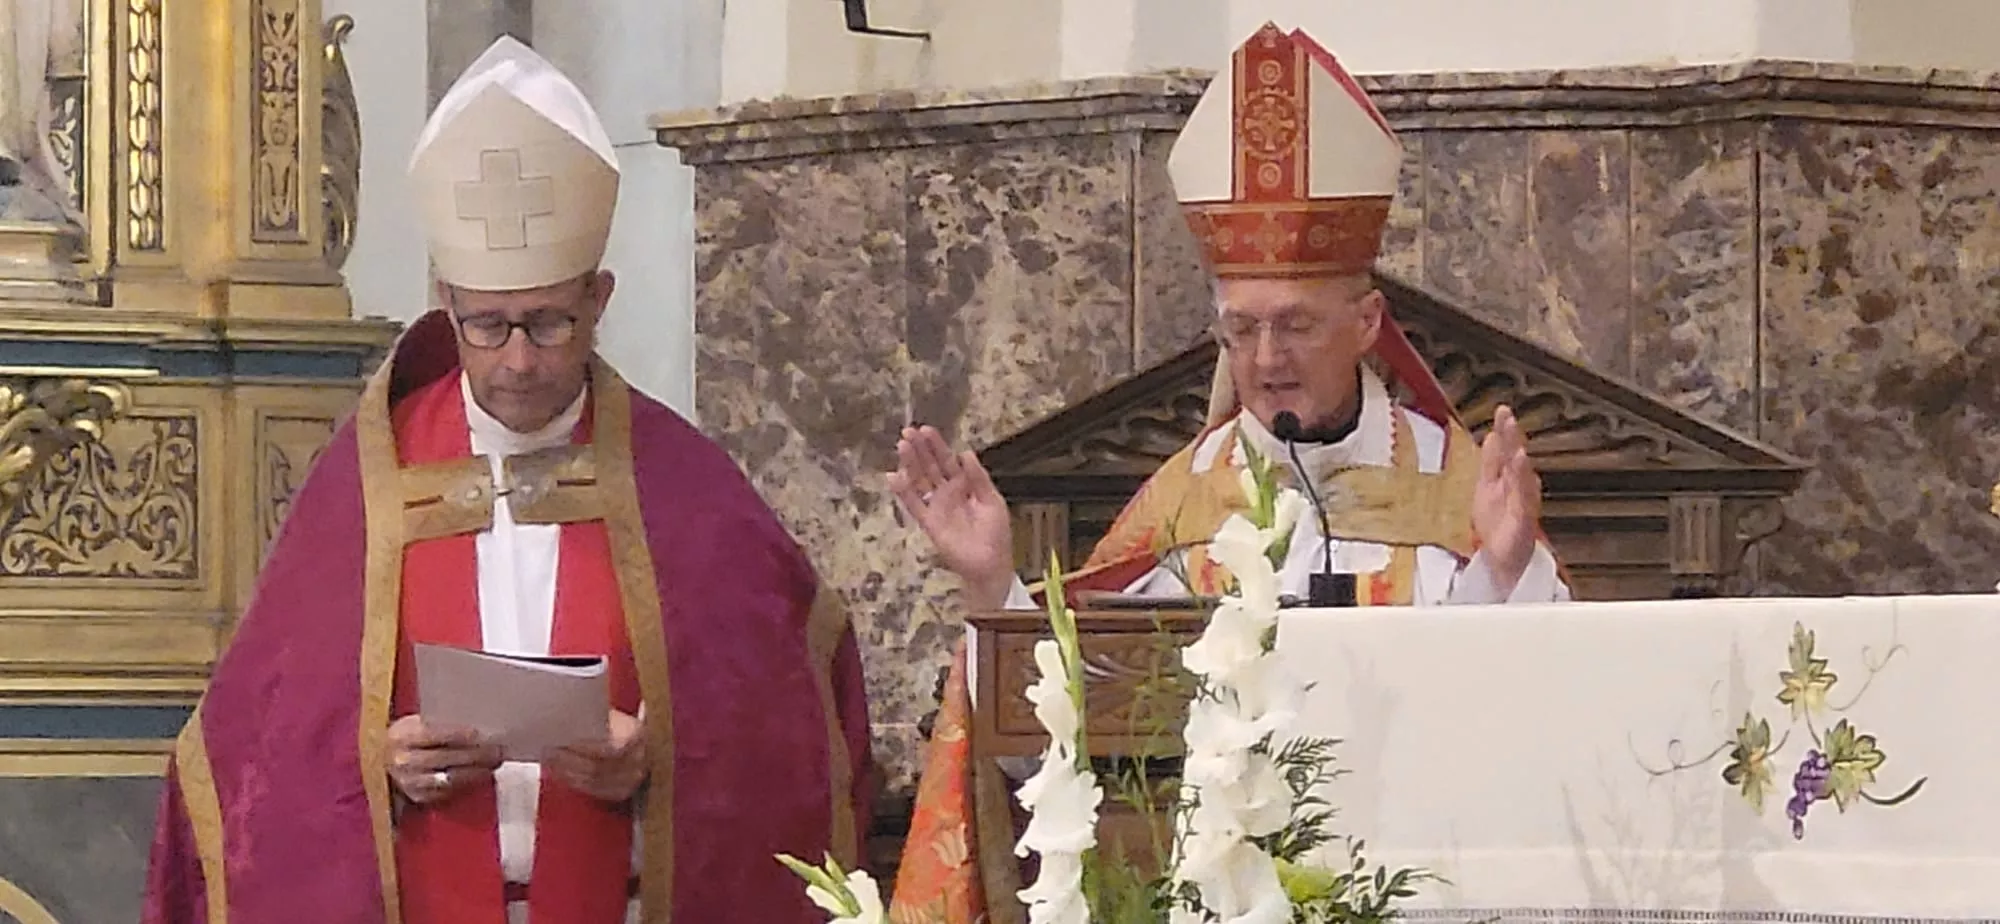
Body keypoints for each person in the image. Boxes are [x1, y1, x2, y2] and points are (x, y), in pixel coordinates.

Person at [141, 37, 874, 924]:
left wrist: (656, 763)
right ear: (444, 301)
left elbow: (794, 724)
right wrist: (376, 765)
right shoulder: (373, 484)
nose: (519, 360)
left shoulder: (683, 491)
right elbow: (251, 755)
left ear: (599, 299)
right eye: (487, 326)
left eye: (549, 322)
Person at [882, 21, 1569, 921]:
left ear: (1367, 323)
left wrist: (1508, 572)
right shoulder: (1187, 498)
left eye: (1296, 324)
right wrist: (992, 590)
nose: (1268, 357)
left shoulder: (1458, 484)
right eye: (1241, 330)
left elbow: (1536, 723)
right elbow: (1058, 756)